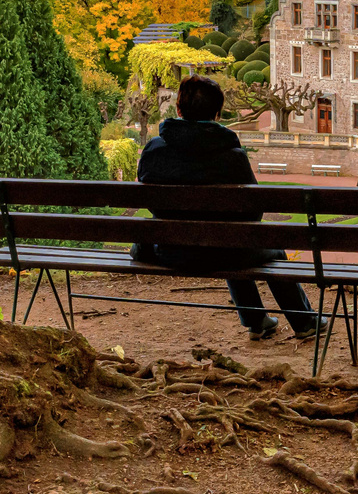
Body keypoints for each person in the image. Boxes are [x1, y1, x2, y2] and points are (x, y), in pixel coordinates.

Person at [136, 76, 327, 341]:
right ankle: (304, 322)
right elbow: (252, 213)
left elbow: (149, 200)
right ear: (217, 113)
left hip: (171, 252)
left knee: (230, 239)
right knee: (251, 244)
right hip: (224, 251)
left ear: (178, 110)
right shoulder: (233, 157)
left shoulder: (154, 150)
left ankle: (257, 320)